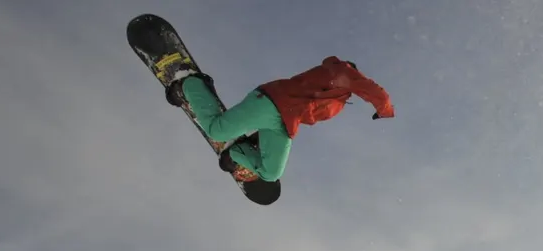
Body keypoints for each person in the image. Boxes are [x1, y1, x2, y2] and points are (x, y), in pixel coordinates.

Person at [165, 56, 395, 182]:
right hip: (272, 102)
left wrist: (258, 136)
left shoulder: (338, 100)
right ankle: (192, 83)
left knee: (271, 174)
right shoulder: (341, 71)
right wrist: (384, 109)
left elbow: (306, 111)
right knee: (216, 129)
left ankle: (237, 152)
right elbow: (375, 91)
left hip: (285, 123)